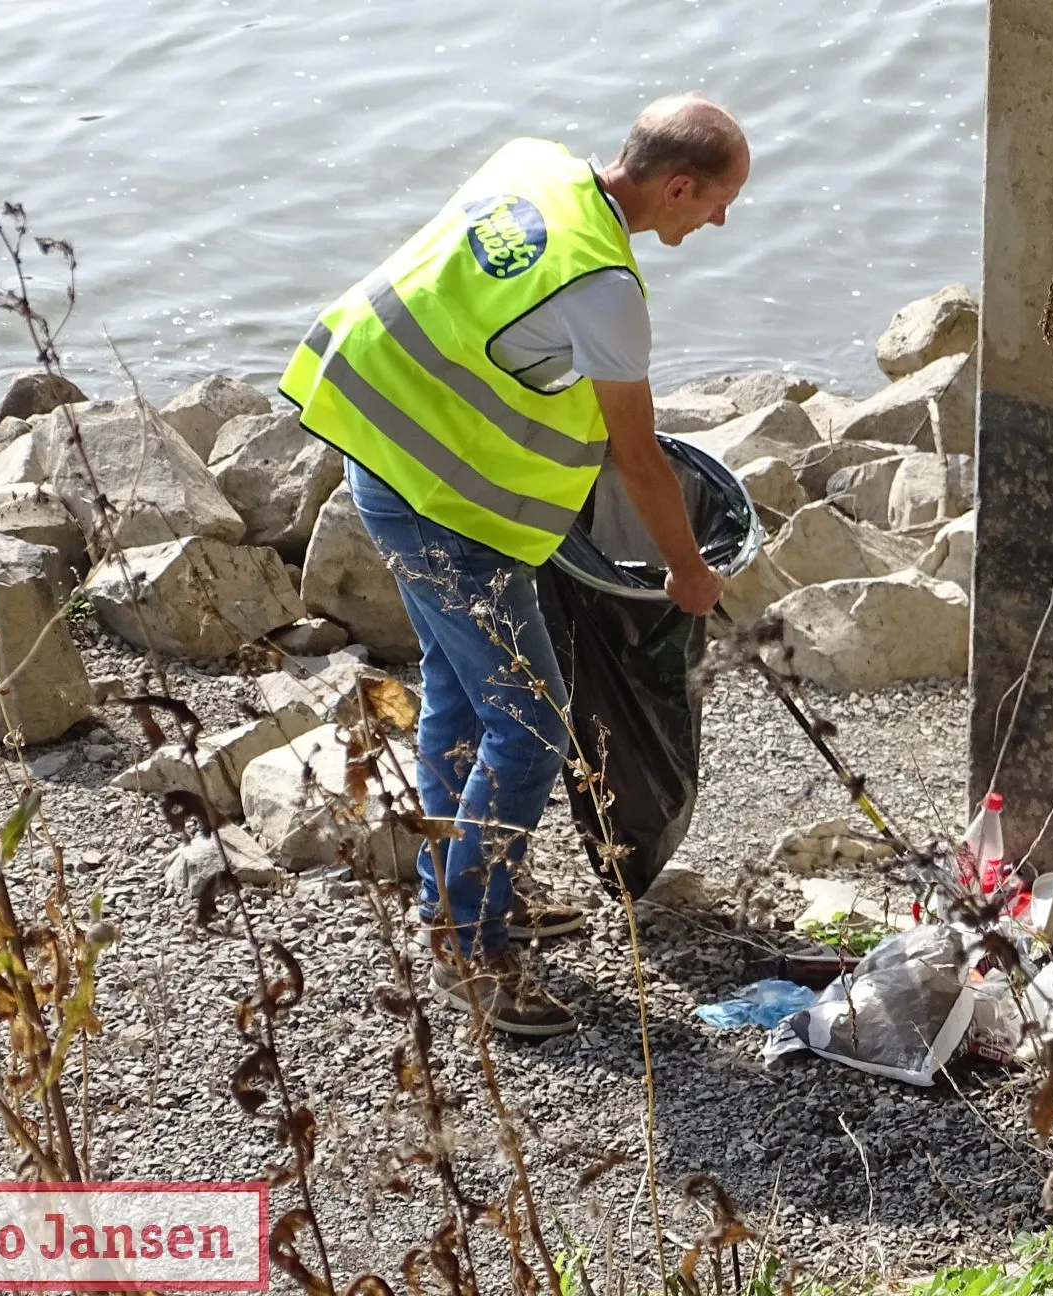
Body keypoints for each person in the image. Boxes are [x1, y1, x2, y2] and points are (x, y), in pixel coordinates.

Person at [278, 96, 746, 1037]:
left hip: (381, 449)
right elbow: (641, 460)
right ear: (679, 186)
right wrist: (687, 572)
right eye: (720, 202)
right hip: (437, 507)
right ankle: (468, 942)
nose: (720, 222)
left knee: (458, 693)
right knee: (533, 721)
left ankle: (454, 896)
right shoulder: (608, 289)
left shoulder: (536, 166)